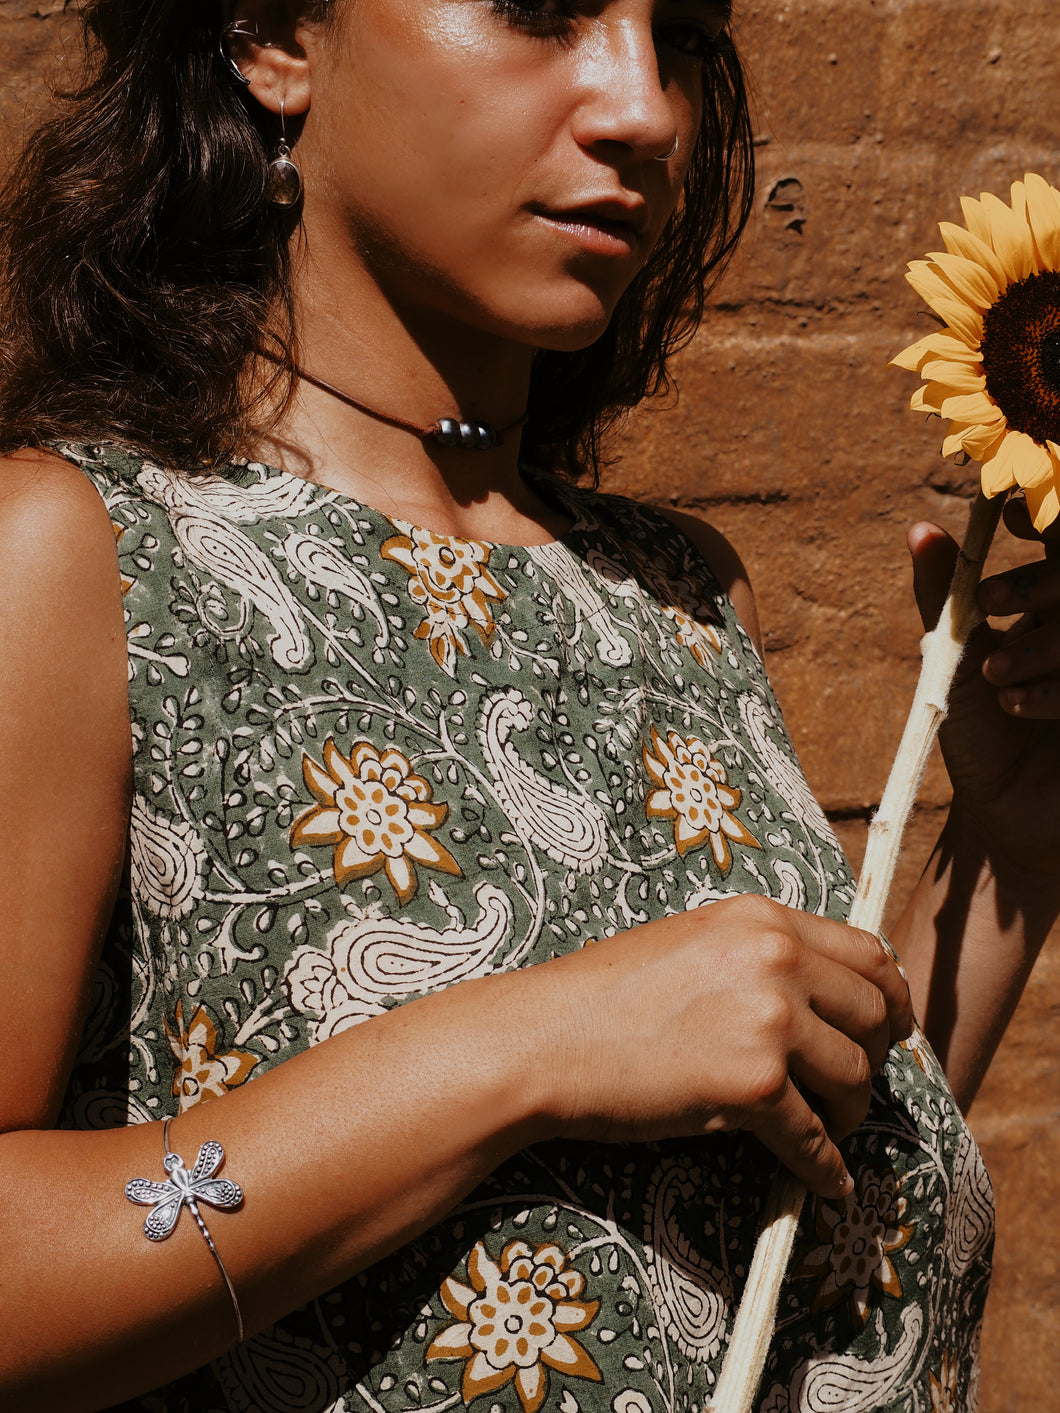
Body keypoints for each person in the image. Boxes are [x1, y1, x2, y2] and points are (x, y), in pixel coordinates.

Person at [0, 2, 1057, 1410]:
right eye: (538, 9)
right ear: (268, 36)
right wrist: (540, 1043)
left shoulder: (679, 592)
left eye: (673, 30)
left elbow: (775, 1197)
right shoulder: (87, 561)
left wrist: (1011, 846)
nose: (645, 109)